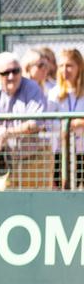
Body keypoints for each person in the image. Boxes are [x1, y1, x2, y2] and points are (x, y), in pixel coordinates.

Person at [0, 52, 50, 189]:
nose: (11, 76)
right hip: (4, 162)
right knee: (6, 208)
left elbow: (36, 122)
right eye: (6, 73)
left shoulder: (32, 88)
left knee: (37, 206)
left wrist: (6, 133)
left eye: (15, 71)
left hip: (34, 160)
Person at [48, 48, 84, 188]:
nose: (65, 70)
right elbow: (49, 121)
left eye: (69, 66)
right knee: (63, 186)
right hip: (61, 149)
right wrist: (68, 124)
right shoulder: (55, 92)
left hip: (81, 148)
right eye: (61, 66)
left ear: (79, 67)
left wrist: (79, 122)